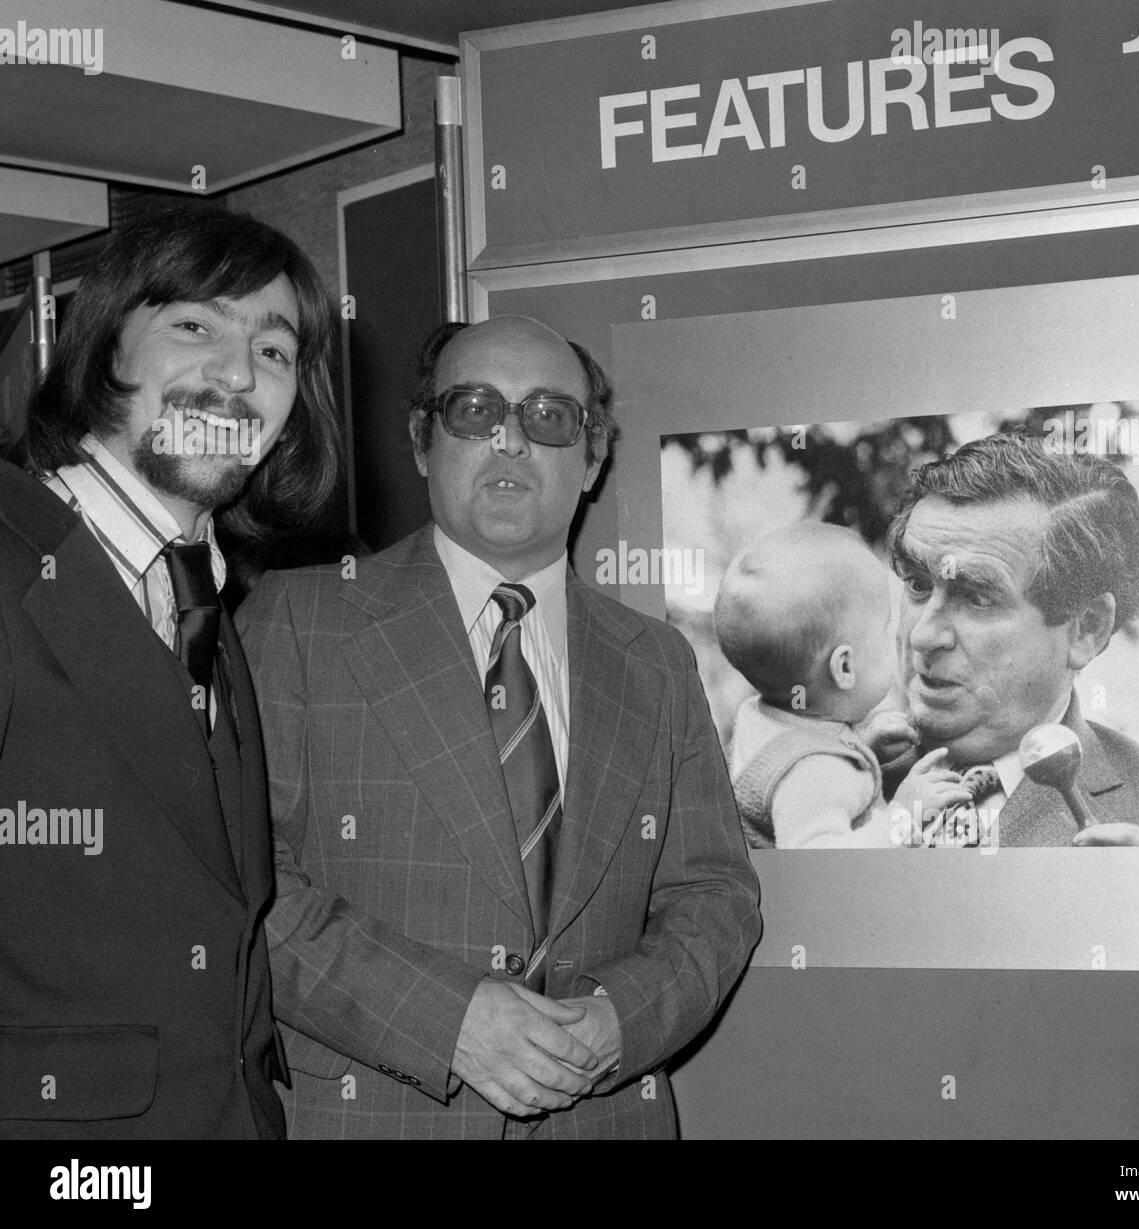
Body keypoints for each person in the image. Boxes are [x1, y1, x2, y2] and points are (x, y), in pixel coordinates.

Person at [236, 314, 761, 1139]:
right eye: (476, 410)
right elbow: (247, 886)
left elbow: (716, 895)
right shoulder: (299, 623)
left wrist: (620, 1021)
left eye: (550, 416)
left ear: (592, 460)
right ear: (422, 441)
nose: (511, 440)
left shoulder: (656, 662)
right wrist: (448, 1020)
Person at [0, 203, 341, 1139]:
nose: (238, 374)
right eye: (195, 325)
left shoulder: (204, 602)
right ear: (106, 347)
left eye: (274, 352)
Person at [883, 431, 1139, 848]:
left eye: (977, 598)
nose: (923, 635)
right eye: (918, 584)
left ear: (1086, 628)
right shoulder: (813, 772)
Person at [715, 521, 971, 848]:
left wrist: (862, 749)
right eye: (884, 627)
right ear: (845, 667)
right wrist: (904, 814)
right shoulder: (815, 774)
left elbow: (801, 759)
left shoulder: (764, 715)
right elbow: (821, 865)